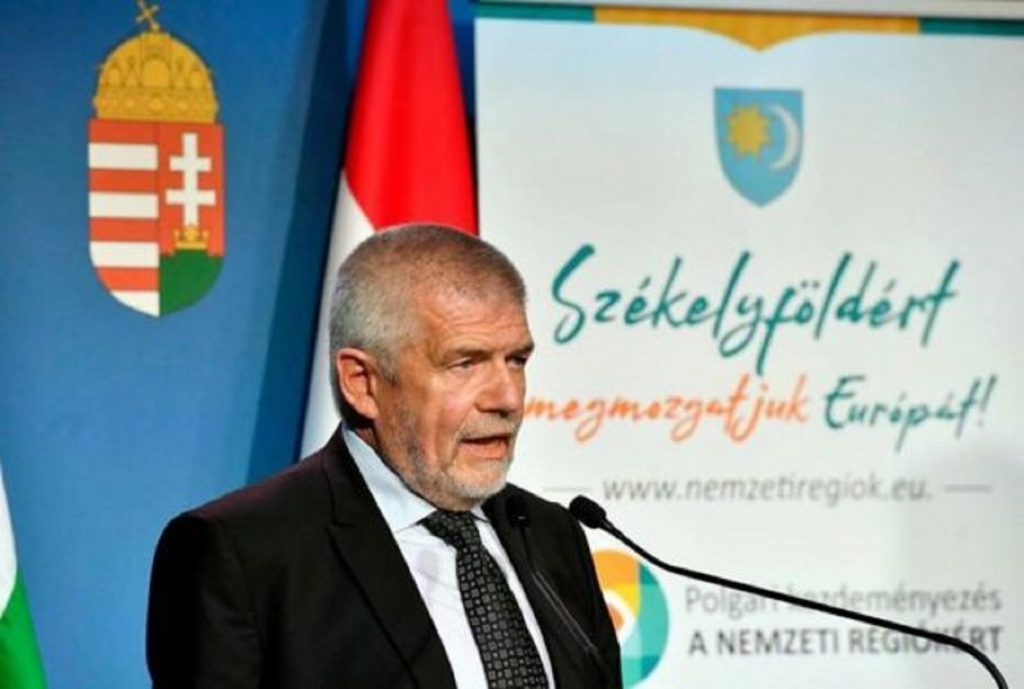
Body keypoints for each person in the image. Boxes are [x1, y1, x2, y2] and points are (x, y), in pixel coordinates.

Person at [146, 224, 621, 688]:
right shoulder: (242, 553)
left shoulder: (551, 534)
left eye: (516, 360)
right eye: (465, 363)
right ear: (363, 383)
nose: (508, 398)